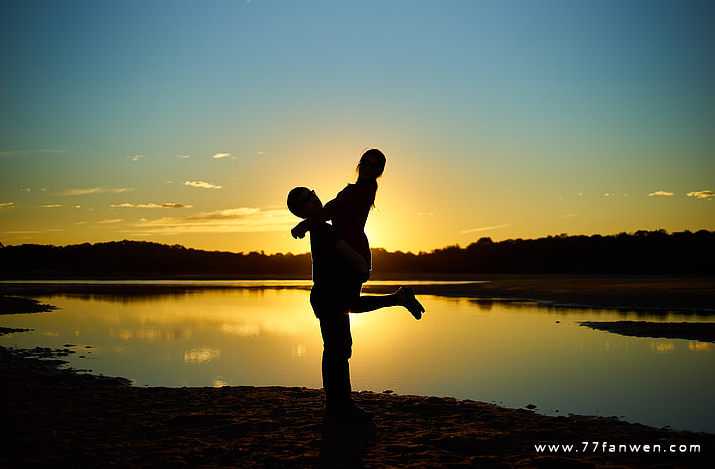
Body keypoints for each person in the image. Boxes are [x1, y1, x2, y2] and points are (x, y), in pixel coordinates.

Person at [287, 186, 424, 420]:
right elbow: (351, 256)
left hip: (331, 295)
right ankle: (339, 404)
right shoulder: (323, 231)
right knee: (336, 351)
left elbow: (340, 206)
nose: (313, 198)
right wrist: (363, 269)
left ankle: (339, 403)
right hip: (327, 297)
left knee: (340, 346)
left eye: (312, 193)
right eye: (307, 200)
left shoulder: (322, 226)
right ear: (301, 211)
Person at [291, 148, 386, 273]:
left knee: (346, 293)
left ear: (378, 172)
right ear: (359, 163)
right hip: (346, 251)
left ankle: (399, 294)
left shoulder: (365, 191)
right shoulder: (351, 190)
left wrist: (305, 224)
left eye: (373, 166)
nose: (367, 168)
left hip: (354, 251)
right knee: (345, 293)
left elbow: (334, 210)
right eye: (365, 162)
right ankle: (399, 294)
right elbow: (331, 208)